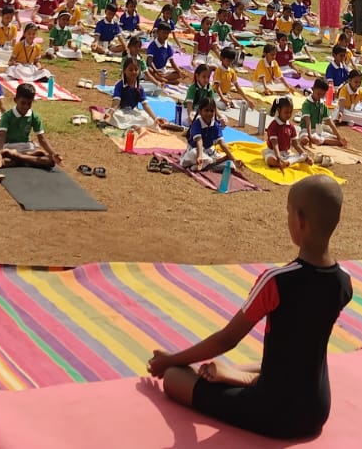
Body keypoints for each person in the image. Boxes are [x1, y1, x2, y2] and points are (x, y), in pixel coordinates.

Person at [148, 175, 350, 440]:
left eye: (288, 213)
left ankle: (230, 376)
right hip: (317, 409)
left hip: (273, 411)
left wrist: (170, 361)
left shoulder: (277, 281)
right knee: (297, 354)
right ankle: (233, 375)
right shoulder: (343, 282)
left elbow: (227, 339)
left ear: (301, 222)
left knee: (175, 378)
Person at [0, 83, 62, 169]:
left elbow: (41, 139)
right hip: (10, 146)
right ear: (15, 100)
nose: (26, 106)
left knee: (51, 162)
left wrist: (53, 154)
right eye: (23, 103)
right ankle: (27, 158)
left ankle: (18, 157)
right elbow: (2, 136)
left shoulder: (34, 116)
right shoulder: (7, 116)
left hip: (26, 147)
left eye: (29, 103)